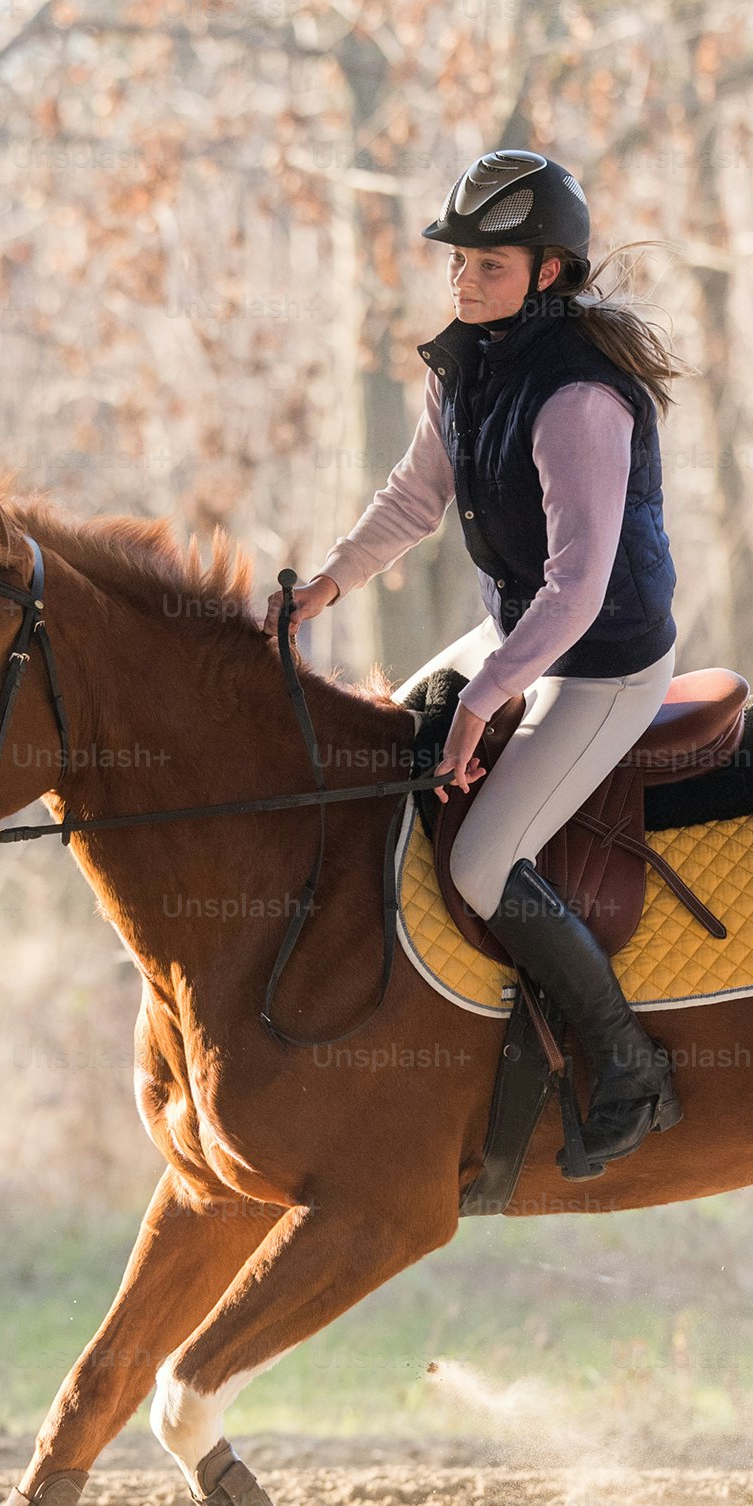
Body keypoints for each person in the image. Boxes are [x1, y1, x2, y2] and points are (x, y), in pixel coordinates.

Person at [271, 149, 686, 1170]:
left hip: (604, 663)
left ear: (549, 271)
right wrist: (329, 580)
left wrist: (485, 700)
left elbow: (580, 589)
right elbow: (416, 497)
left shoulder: (580, 400)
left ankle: (628, 1068)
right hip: (523, 633)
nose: (463, 281)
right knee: (387, 764)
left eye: (488, 267)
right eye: (457, 262)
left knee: (481, 859)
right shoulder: (466, 363)